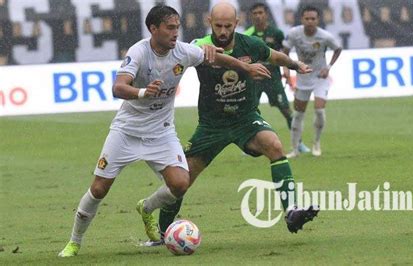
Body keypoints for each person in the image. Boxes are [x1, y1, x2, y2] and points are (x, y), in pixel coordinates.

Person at [58, 4, 271, 257]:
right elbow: (118, 87)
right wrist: (142, 92)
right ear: (153, 29)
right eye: (170, 28)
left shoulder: (182, 51)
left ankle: (146, 208)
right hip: (126, 132)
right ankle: (74, 242)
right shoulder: (138, 52)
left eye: (177, 28)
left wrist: (245, 67)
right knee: (99, 190)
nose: (175, 33)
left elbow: (214, 56)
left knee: (181, 183)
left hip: (161, 132)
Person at [147, 2, 318, 245]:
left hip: (245, 119)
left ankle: (291, 211)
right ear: (209, 22)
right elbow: (178, 58)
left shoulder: (250, 44)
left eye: (228, 26)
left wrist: (296, 65)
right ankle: (164, 234)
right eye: (219, 26)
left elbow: (274, 55)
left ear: (237, 24)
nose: (223, 31)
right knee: (182, 181)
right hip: (211, 126)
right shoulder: (200, 47)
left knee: (275, 146)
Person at [244, 2, 311, 153]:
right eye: (255, 13)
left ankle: (298, 143)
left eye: (261, 13)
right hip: (254, 80)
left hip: (273, 79)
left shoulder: (276, 33)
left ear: (266, 14)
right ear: (251, 16)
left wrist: (287, 70)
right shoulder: (247, 35)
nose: (258, 16)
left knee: (287, 111)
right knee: (248, 112)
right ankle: (247, 144)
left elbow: (283, 54)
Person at [283, 6, 342, 158]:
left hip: (319, 78)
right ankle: (295, 149)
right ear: (302, 19)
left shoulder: (325, 36)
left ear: (318, 20)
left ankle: (316, 143)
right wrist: (287, 72)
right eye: (307, 18)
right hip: (303, 77)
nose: (310, 21)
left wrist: (328, 67)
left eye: (313, 19)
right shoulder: (294, 33)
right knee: (298, 115)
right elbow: (285, 53)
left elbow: (338, 49)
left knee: (320, 111)